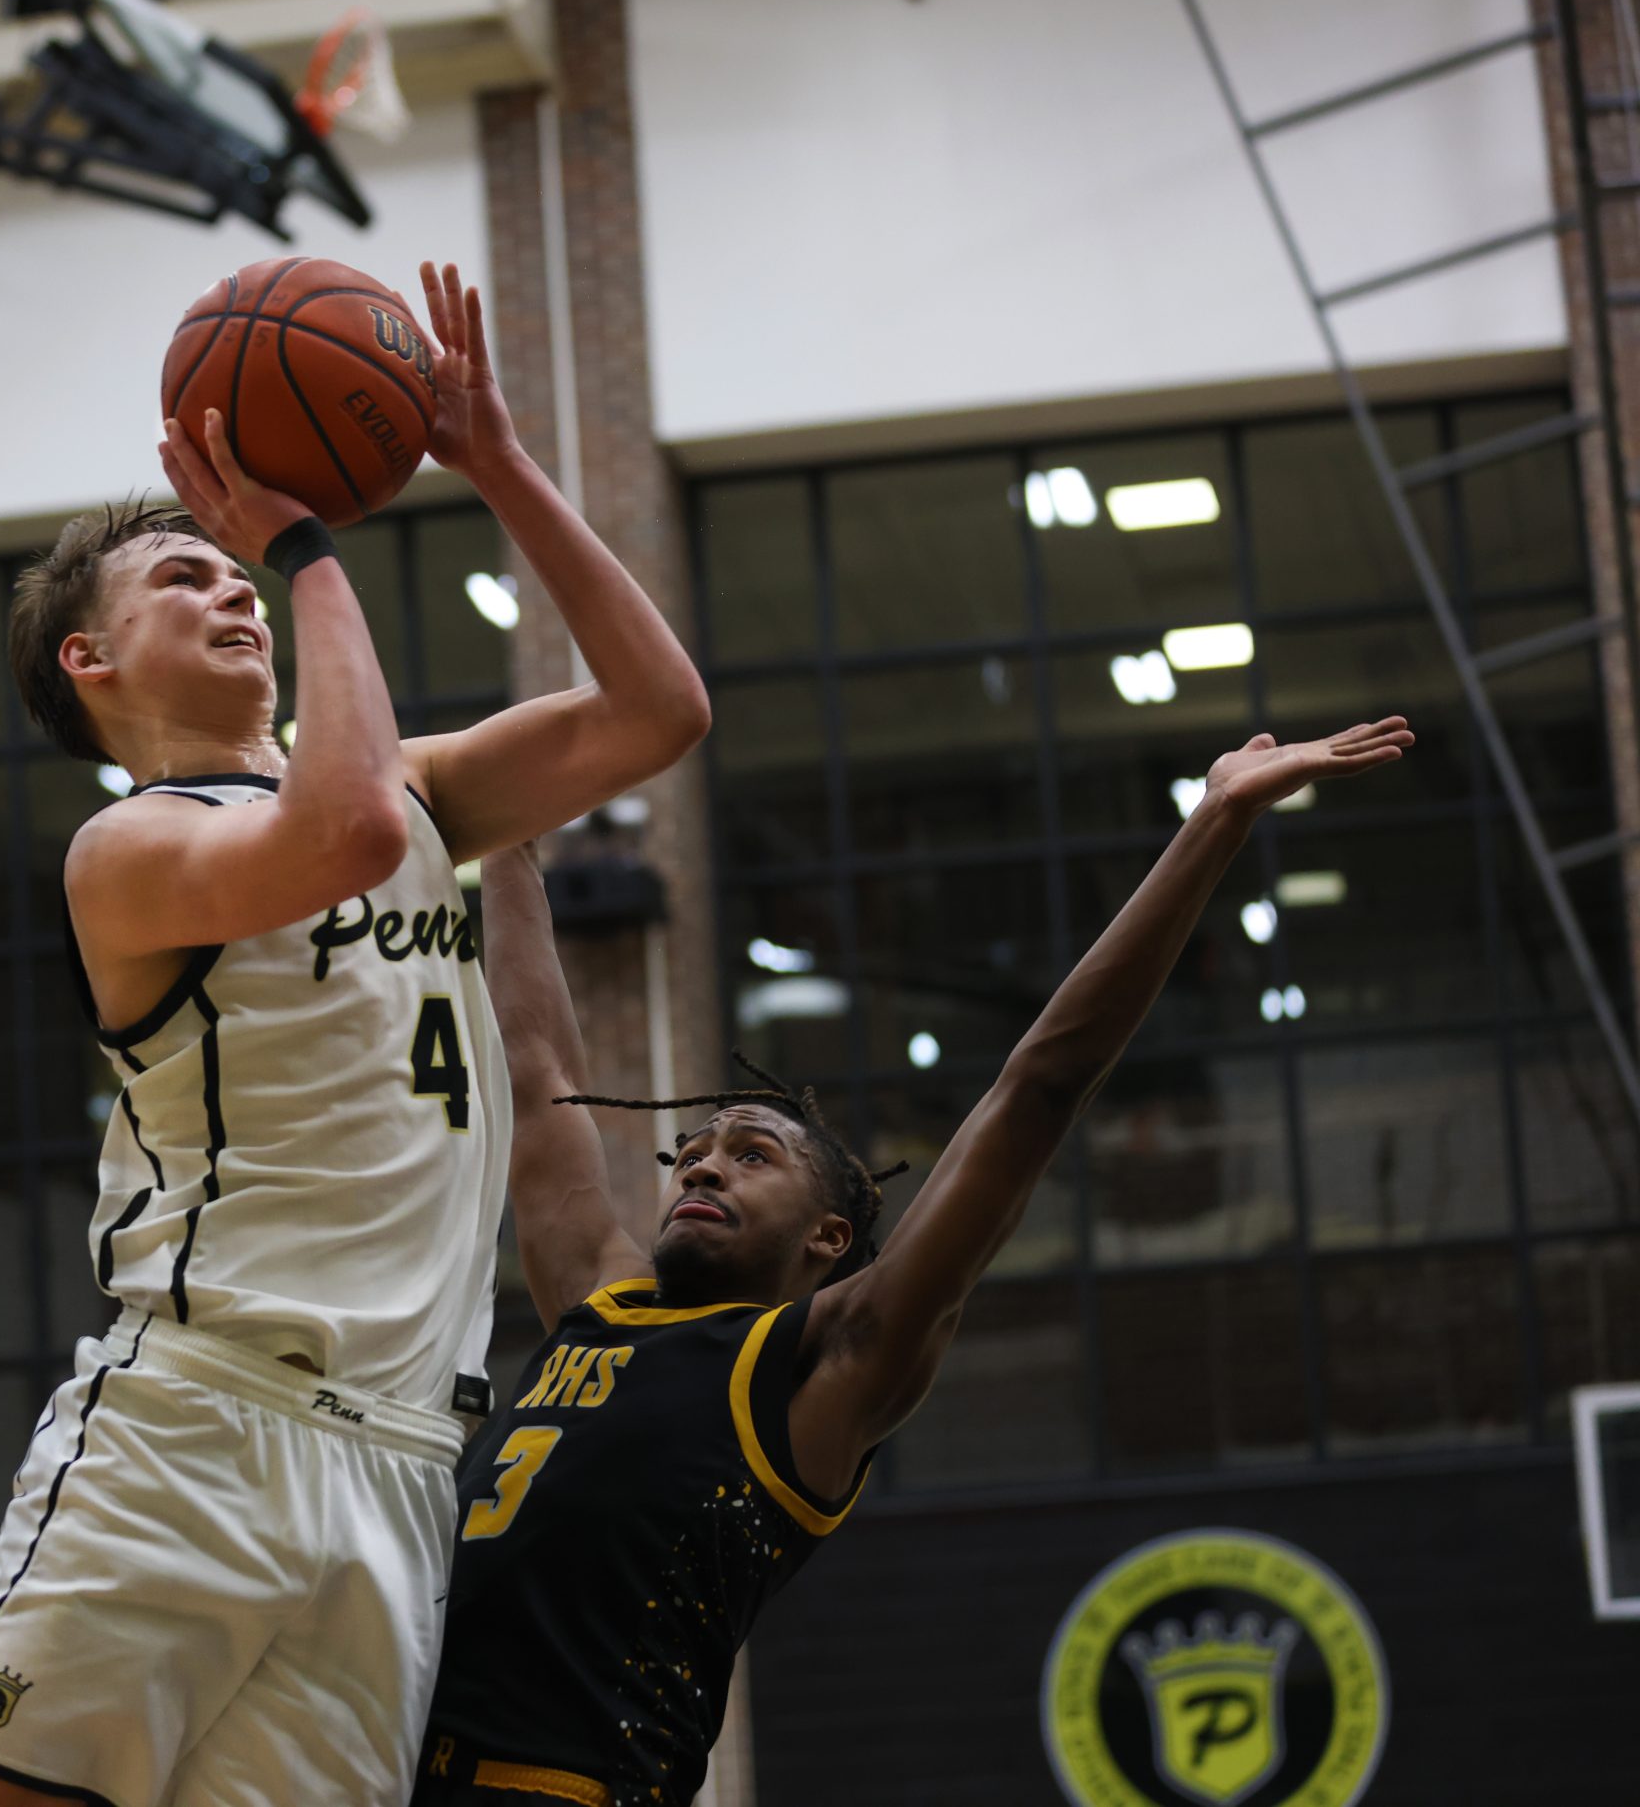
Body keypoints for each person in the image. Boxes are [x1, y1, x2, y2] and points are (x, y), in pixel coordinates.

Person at [0, 262, 710, 1807]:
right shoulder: (131, 850)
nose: (234, 593)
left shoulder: (411, 790)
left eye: (239, 577)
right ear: (89, 661)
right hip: (199, 1422)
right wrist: (307, 549)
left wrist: (498, 465)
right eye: (183, 581)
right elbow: (339, 830)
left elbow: (659, 711)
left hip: (401, 1460)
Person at [416, 716, 1414, 1807]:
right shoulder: (601, 1302)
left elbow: (1038, 1089)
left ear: (828, 1239)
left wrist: (1212, 822)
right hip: (389, 1768)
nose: (702, 1164)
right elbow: (535, 1069)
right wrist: (506, 833)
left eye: (752, 1155)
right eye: (693, 1151)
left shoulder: (830, 1363)